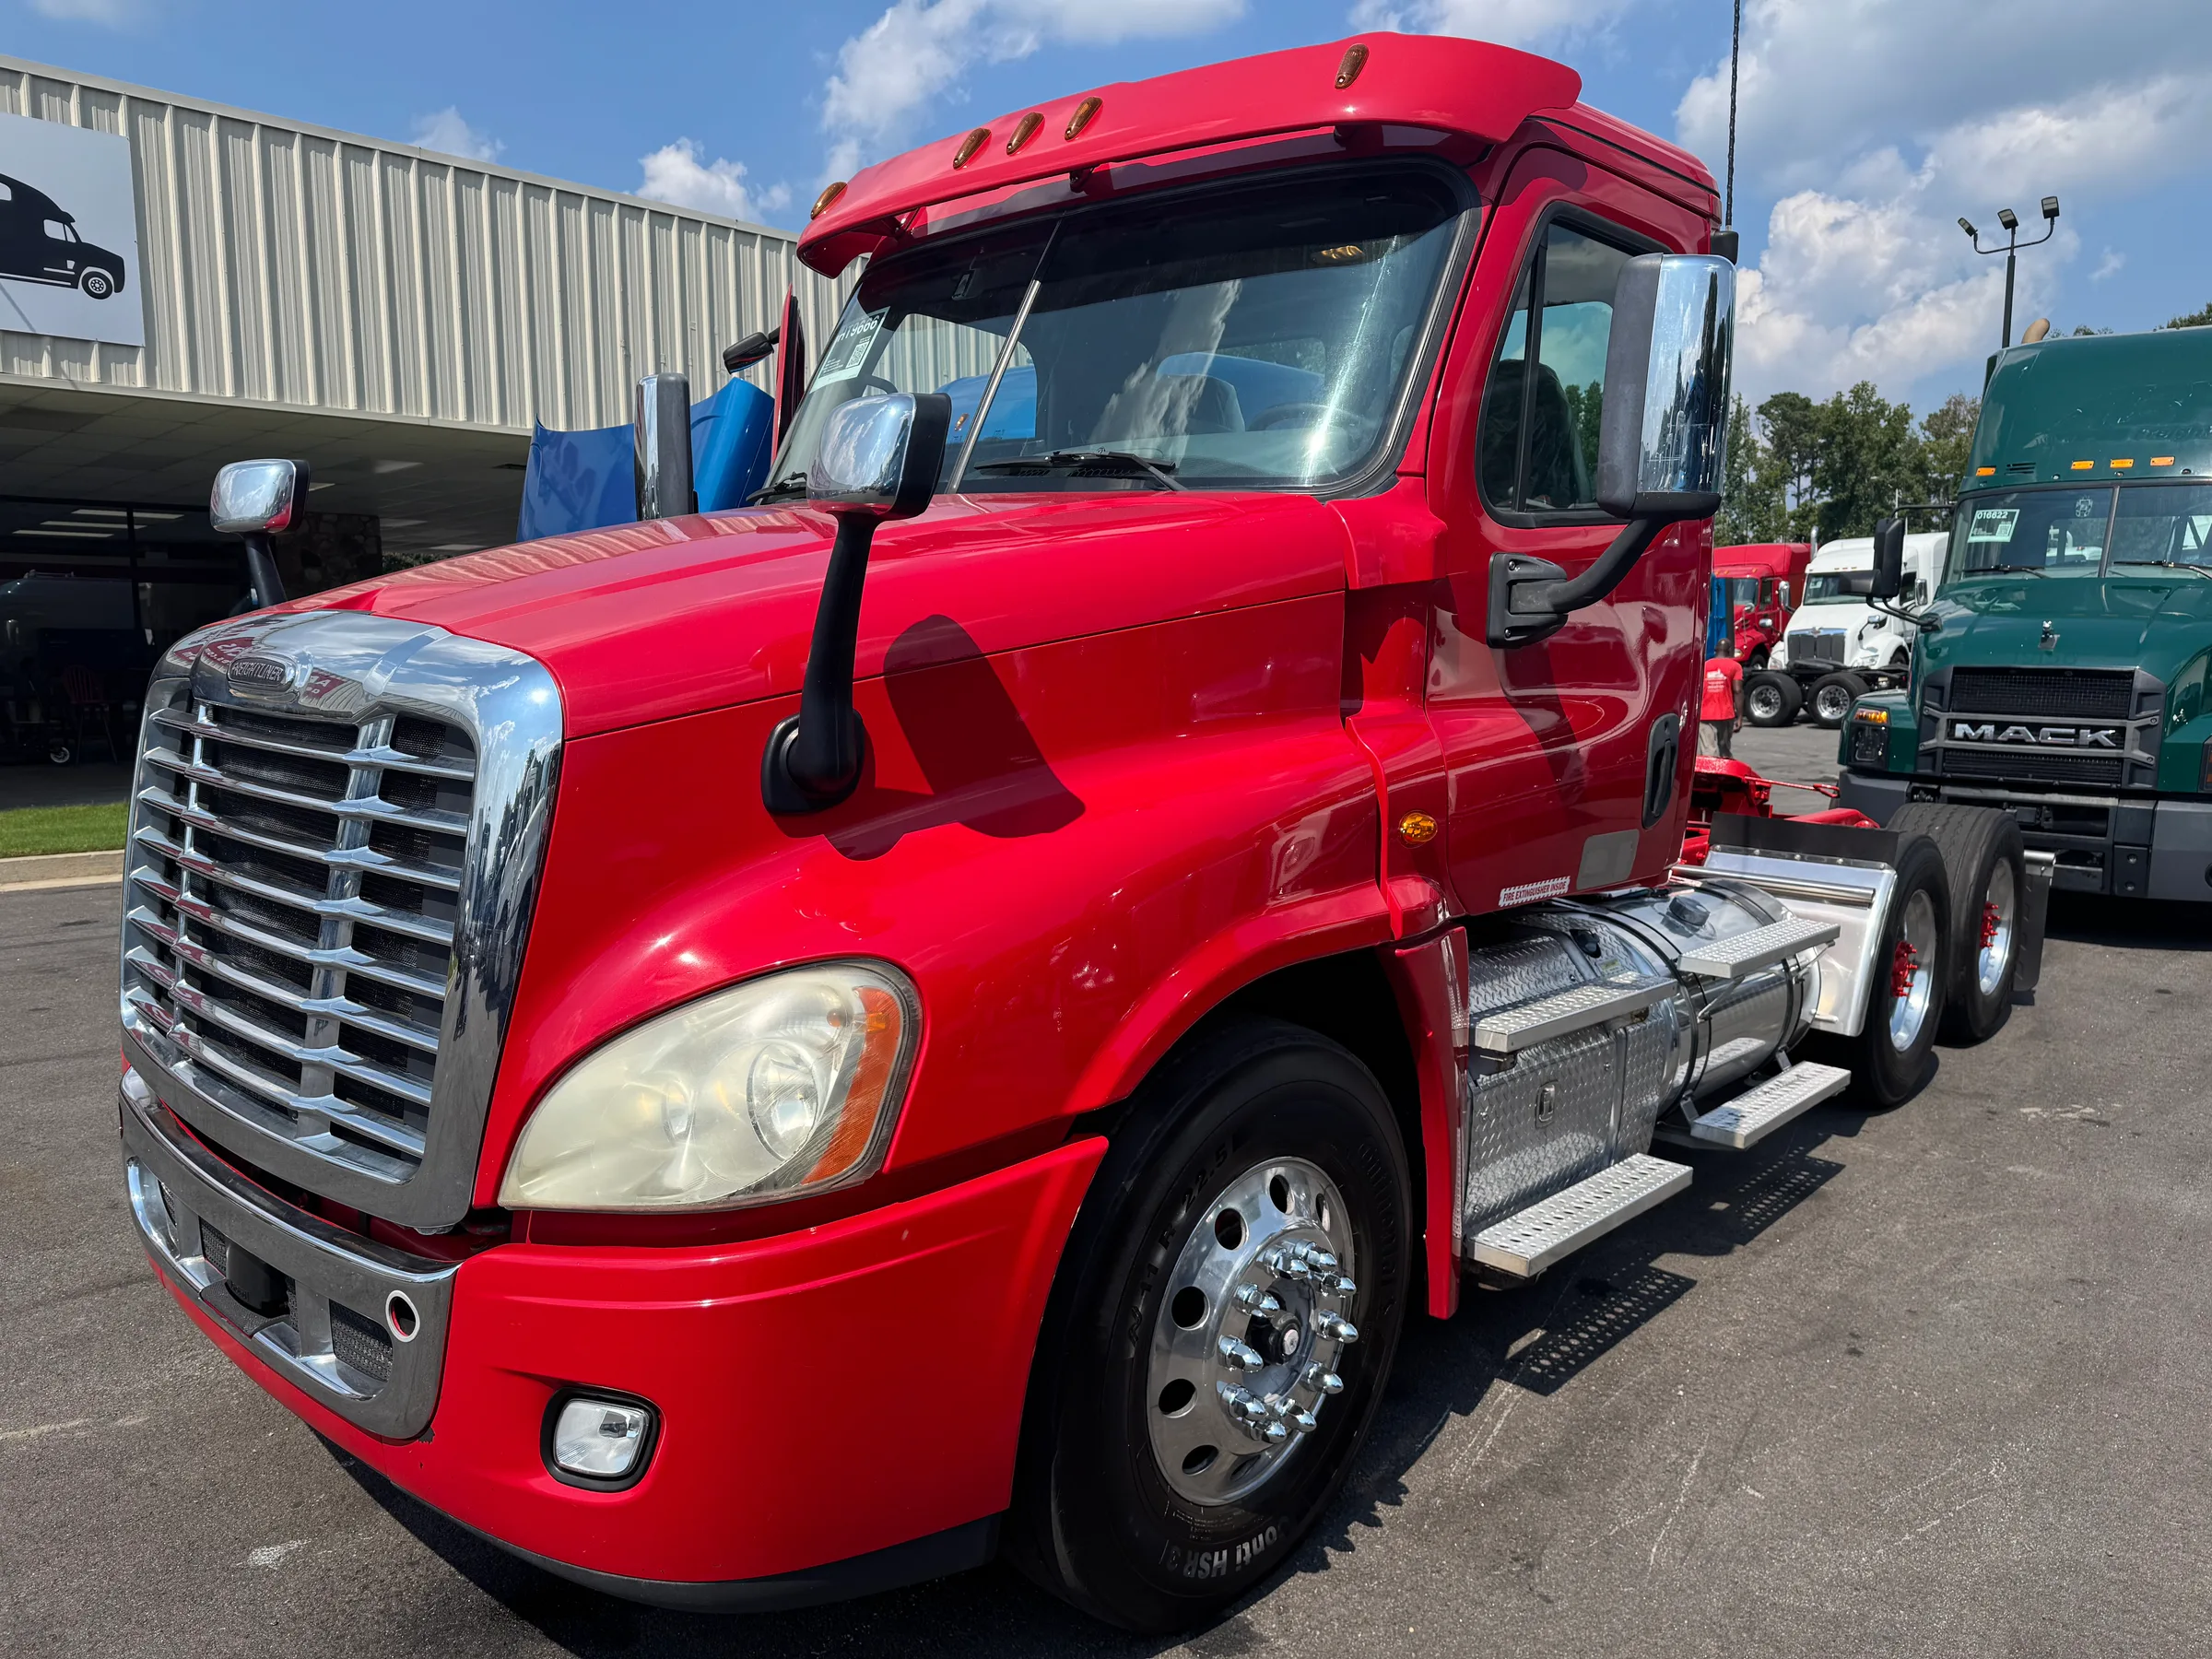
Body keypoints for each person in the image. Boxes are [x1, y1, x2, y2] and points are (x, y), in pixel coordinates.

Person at [1699, 653, 1742, 758]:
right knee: (1724, 749)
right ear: (1729, 651)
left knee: (1708, 750)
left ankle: (1709, 772)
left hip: (1705, 713)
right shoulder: (1735, 666)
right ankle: (1724, 771)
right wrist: (1740, 717)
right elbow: (1737, 690)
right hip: (1725, 713)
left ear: (1715, 651)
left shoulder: (1704, 665)